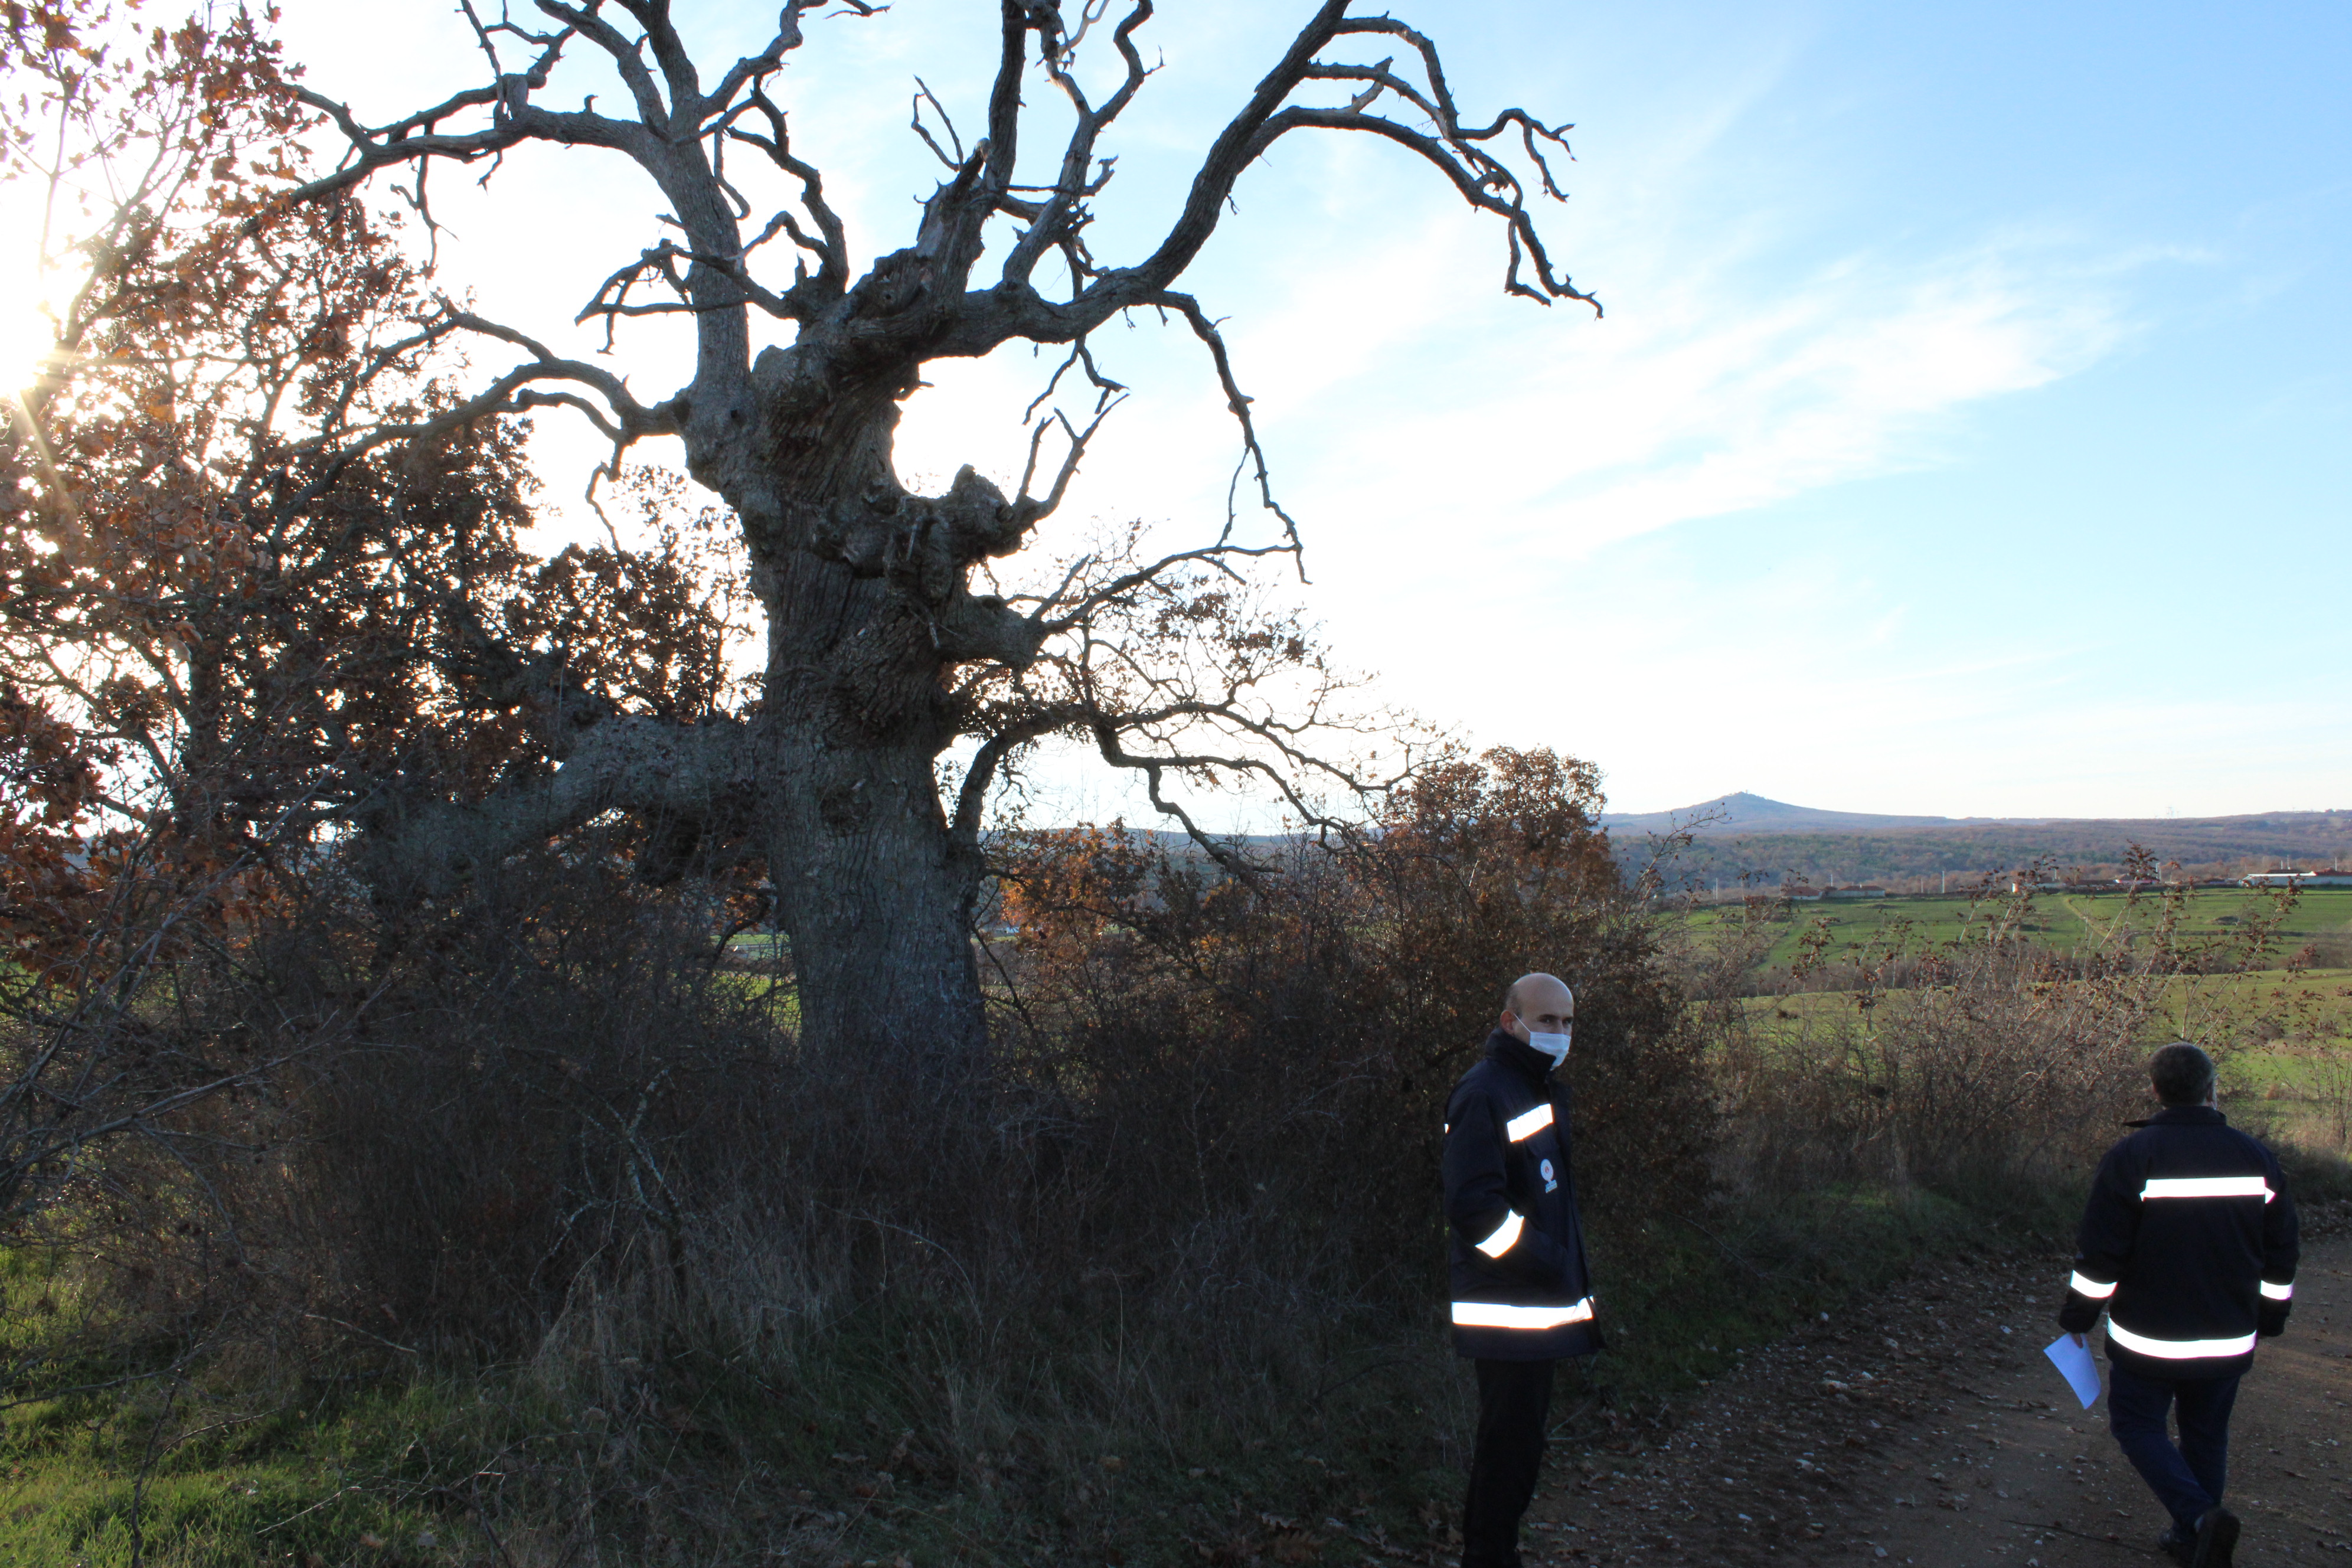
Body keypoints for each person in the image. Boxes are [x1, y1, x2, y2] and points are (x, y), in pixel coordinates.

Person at [2058, 1041, 2298, 1568]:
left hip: (2148, 1338)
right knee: (2207, 1434)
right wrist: (2271, 1318)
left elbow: (2101, 1254)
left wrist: (2078, 1318)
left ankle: (2197, 1519)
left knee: (2136, 1426)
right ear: (2213, 1090)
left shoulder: (2132, 1157)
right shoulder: (2257, 1158)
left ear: (2156, 1092)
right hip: (2229, 1336)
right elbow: (2281, 1256)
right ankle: (2195, 1542)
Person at [1441, 972, 1603, 1568]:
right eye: (1546, 1020)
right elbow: (1473, 1206)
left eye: (1566, 1022)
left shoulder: (1537, 1087)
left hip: (1536, 1310)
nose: (1559, 1033)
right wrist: (1548, 1261)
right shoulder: (1487, 1091)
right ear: (1511, 1021)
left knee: (1520, 1453)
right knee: (1506, 1455)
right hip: (1508, 1312)